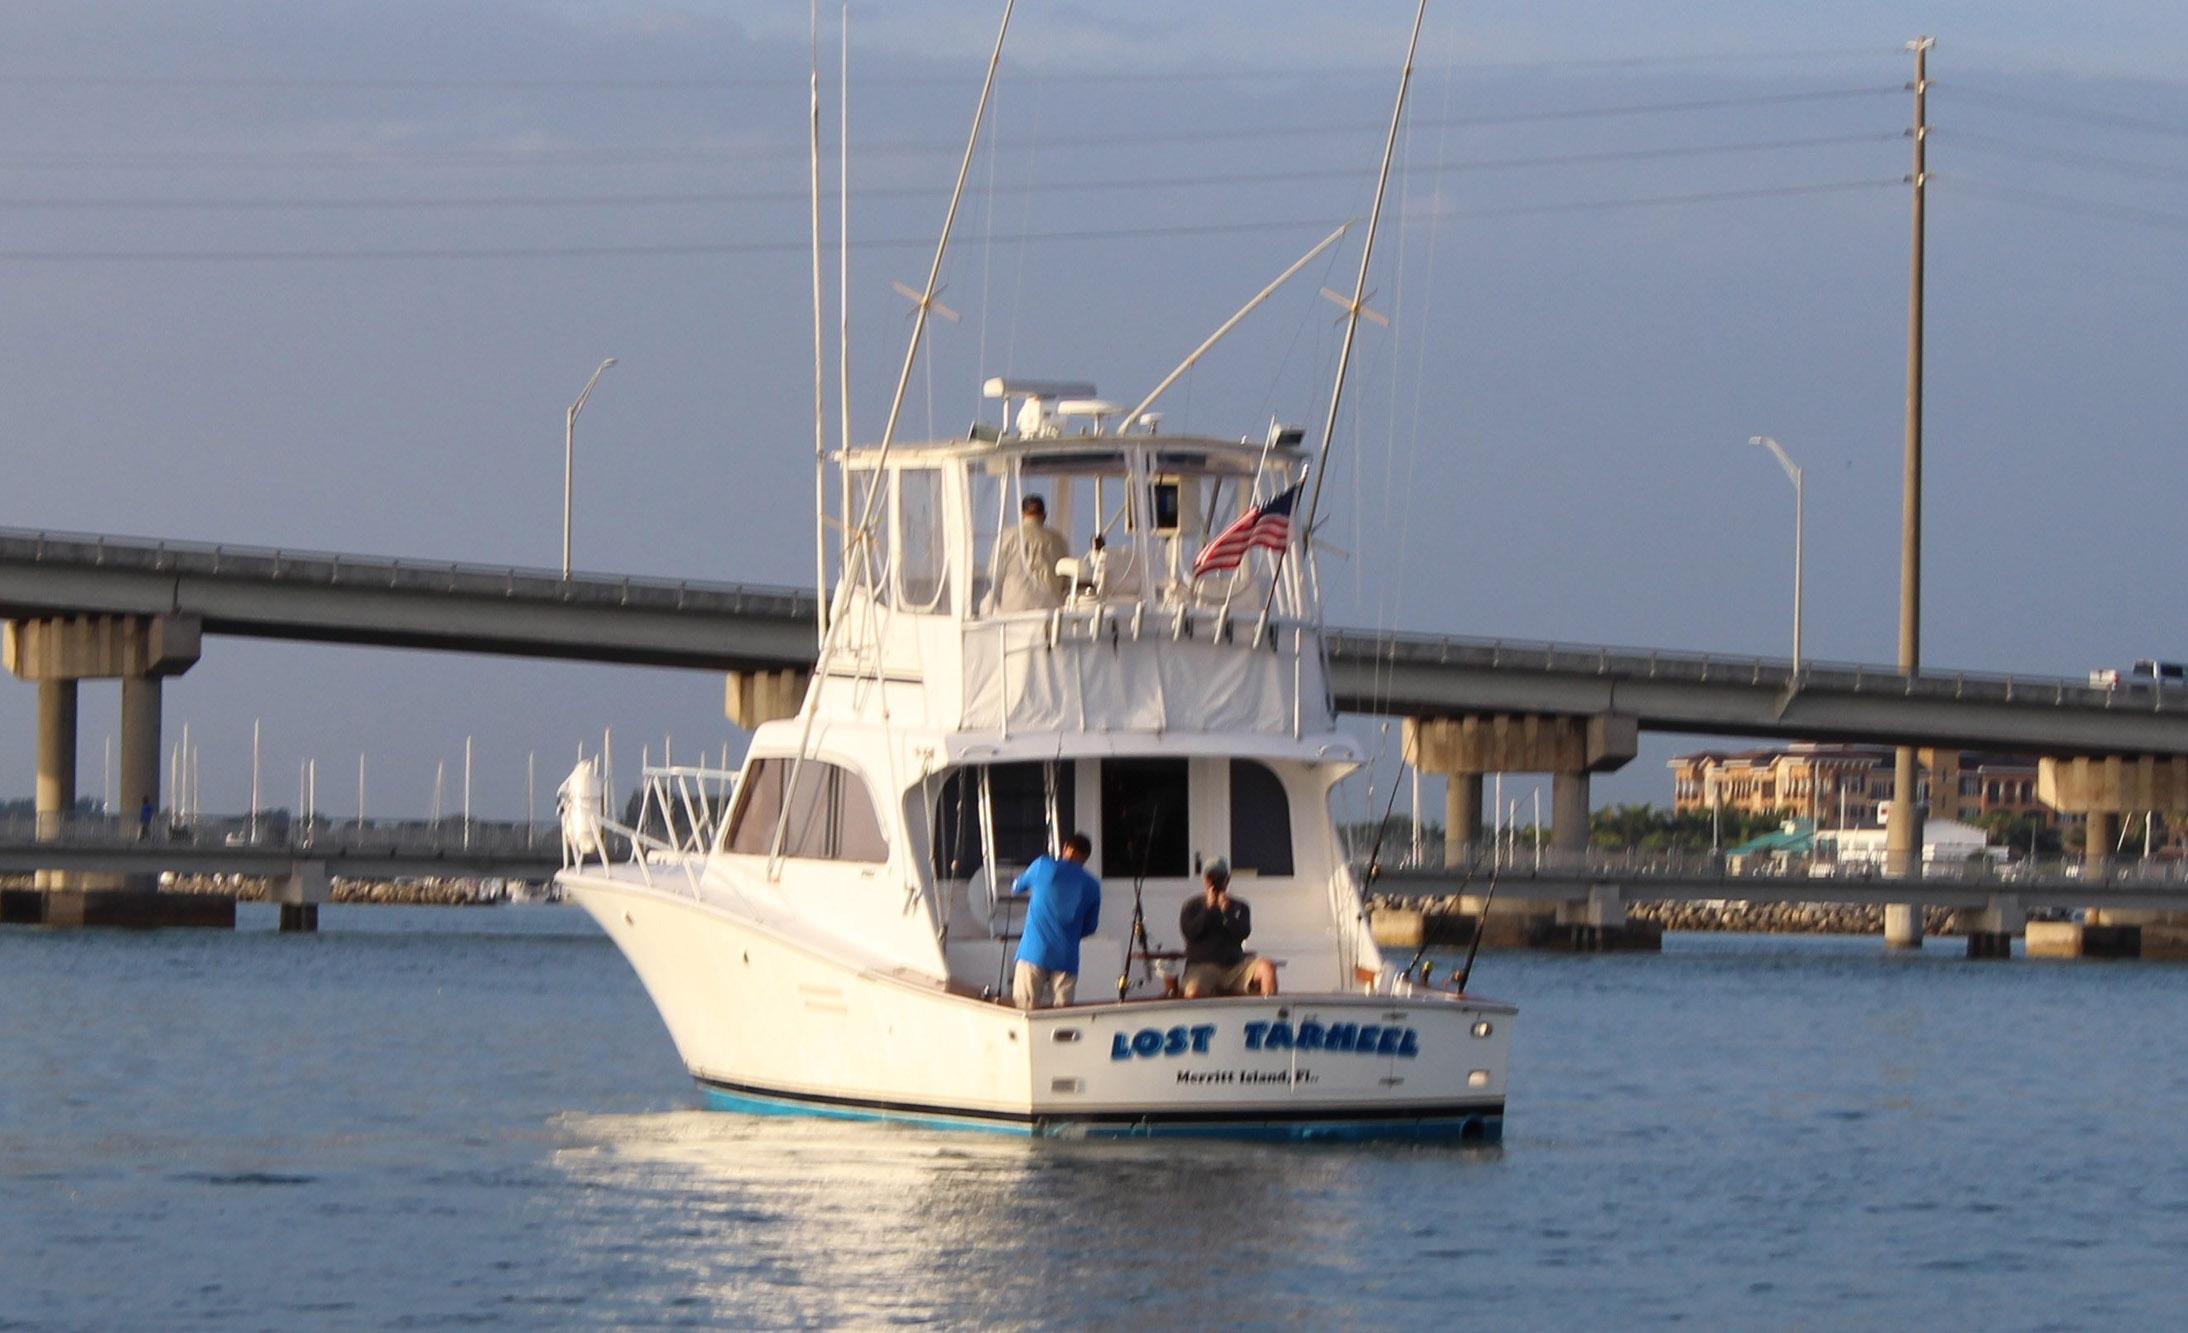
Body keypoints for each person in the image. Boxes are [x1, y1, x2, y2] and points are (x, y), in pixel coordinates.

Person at [1009, 832, 1101, 1008]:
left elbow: (1016, 888)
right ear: (1086, 858)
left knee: (1025, 1009)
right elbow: (1090, 927)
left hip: (1033, 953)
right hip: (1067, 959)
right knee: (1062, 1016)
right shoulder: (1092, 885)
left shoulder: (1043, 866)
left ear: (1066, 848)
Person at [1180, 858, 1277, 998]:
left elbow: (1243, 932)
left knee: (1267, 968)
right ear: (1204, 880)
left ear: (1227, 879)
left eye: (1219, 878)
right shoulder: (1192, 906)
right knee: (1193, 991)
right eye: (1210, 878)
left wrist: (1227, 914)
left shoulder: (1240, 906)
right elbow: (1190, 932)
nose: (1214, 882)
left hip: (1234, 968)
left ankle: (1269, 1013)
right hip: (1202, 967)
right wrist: (1208, 909)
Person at [993, 494, 1071, 612]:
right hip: (1049, 611)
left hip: (1014, 610)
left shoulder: (1007, 537)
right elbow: (1066, 581)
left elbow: (994, 576)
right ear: (1044, 515)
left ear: (1022, 514)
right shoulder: (1058, 540)